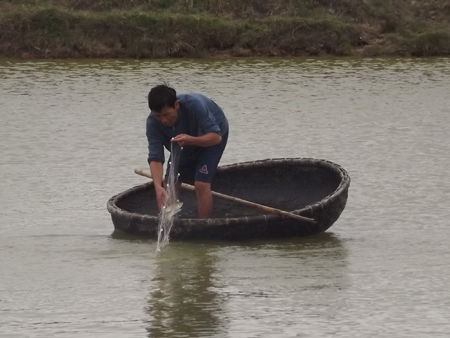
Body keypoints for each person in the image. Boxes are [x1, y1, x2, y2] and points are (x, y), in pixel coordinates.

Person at [146, 84, 229, 219]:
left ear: (176, 105)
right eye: (158, 116)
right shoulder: (152, 123)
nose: (164, 120)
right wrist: (157, 186)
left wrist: (191, 140)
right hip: (184, 142)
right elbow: (155, 157)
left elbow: (216, 138)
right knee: (169, 185)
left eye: (167, 114)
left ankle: (203, 226)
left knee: (201, 183)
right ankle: (172, 223)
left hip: (213, 136)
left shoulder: (193, 106)